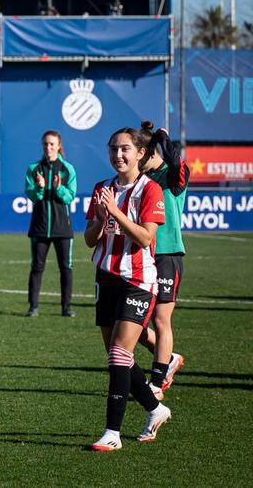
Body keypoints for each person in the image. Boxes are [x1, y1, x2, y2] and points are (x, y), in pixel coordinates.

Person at [84, 127, 171, 451]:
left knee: (120, 354)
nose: (118, 155)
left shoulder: (150, 190)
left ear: (140, 153)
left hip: (138, 280)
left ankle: (112, 433)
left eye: (124, 149)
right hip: (105, 276)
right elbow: (90, 239)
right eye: (113, 149)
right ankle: (155, 408)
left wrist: (116, 213)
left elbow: (146, 238)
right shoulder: (101, 188)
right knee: (117, 355)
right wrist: (100, 219)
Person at [137, 122, 188, 399]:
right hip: (142, 255)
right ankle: (168, 359)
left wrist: (162, 137)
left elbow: (175, 159)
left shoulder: (173, 176)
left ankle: (156, 382)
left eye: (141, 155)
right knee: (132, 323)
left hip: (168, 255)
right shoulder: (141, 180)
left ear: (152, 153)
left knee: (160, 319)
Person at [25, 130, 77, 317]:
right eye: (45, 144)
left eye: (52, 144)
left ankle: (66, 307)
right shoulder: (34, 168)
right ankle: (33, 307)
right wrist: (39, 188)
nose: (48, 147)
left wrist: (58, 188)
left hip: (63, 228)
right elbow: (31, 195)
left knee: (65, 267)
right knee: (37, 267)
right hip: (39, 227)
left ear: (58, 146)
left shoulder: (67, 169)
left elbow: (70, 197)